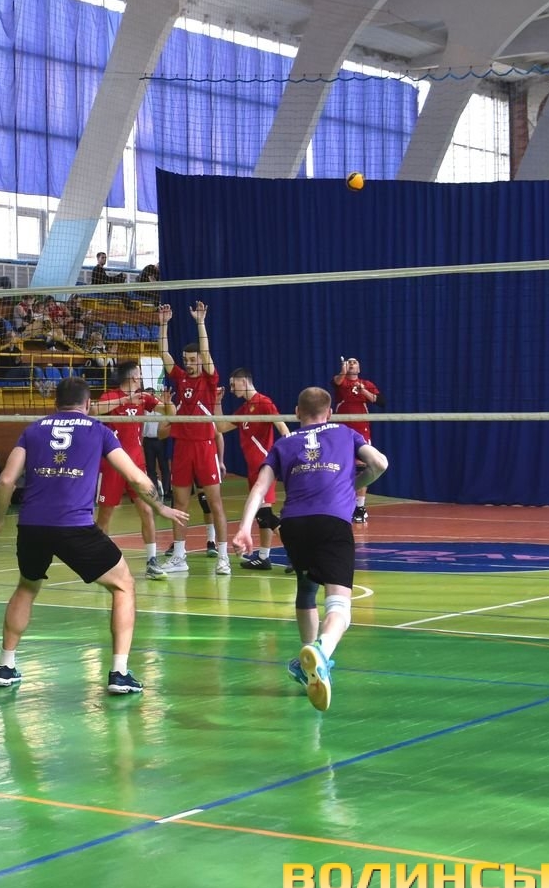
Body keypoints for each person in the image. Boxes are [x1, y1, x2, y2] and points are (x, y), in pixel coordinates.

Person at [0, 377, 190, 695]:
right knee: (124, 585)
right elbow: (135, 477)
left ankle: (4, 667)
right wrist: (160, 507)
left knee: (27, 586)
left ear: (55, 403)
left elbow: (6, 481)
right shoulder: (99, 430)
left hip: (32, 526)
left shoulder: (32, 430)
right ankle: (119, 673)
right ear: (88, 404)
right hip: (74, 526)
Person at [232, 386, 388, 714]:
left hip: (294, 526)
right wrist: (355, 484)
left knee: (306, 588)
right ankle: (321, 651)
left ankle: (307, 661)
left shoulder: (284, 444)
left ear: (297, 413)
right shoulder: (345, 433)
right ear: (329, 413)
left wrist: (244, 528)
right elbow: (380, 463)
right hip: (331, 523)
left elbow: (260, 488)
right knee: (340, 607)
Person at [158, 301, 229, 572]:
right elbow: (163, 354)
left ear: (200, 360)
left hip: (205, 447)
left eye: (192, 360)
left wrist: (200, 321)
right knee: (180, 503)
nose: (188, 364)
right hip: (182, 448)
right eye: (186, 360)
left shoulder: (210, 379)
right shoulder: (180, 378)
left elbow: (207, 351)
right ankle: (179, 557)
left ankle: (223, 557)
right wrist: (163, 325)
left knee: (215, 503)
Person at [95, 360, 174, 580]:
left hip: (137, 465)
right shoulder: (110, 396)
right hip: (113, 465)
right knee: (105, 516)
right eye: (139, 372)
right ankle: (101, 562)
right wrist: (125, 400)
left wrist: (168, 404)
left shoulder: (144, 397)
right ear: (132, 376)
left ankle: (152, 561)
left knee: (147, 510)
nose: (141, 376)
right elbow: (93, 410)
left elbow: (169, 413)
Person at [224, 368, 288, 570]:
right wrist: (215, 402)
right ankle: (264, 557)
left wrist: (289, 450)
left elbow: (282, 426)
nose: (232, 389)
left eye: (233, 384)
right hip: (252, 468)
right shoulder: (243, 410)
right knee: (262, 515)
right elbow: (219, 427)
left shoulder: (263, 402)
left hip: (265, 467)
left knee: (266, 515)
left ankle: (299, 554)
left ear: (243, 381)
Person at [332, 358, 380, 523]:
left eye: (354, 362)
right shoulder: (341, 381)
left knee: (362, 468)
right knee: (341, 467)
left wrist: (363, 391)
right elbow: (337, 382)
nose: (351, 364)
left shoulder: (367, 384)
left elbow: (380, 401)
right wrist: (343, 371)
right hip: (342, 431)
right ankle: (342, 503)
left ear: (359, 368)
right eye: (349, 362)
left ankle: (360, 507)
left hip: (361, 431)